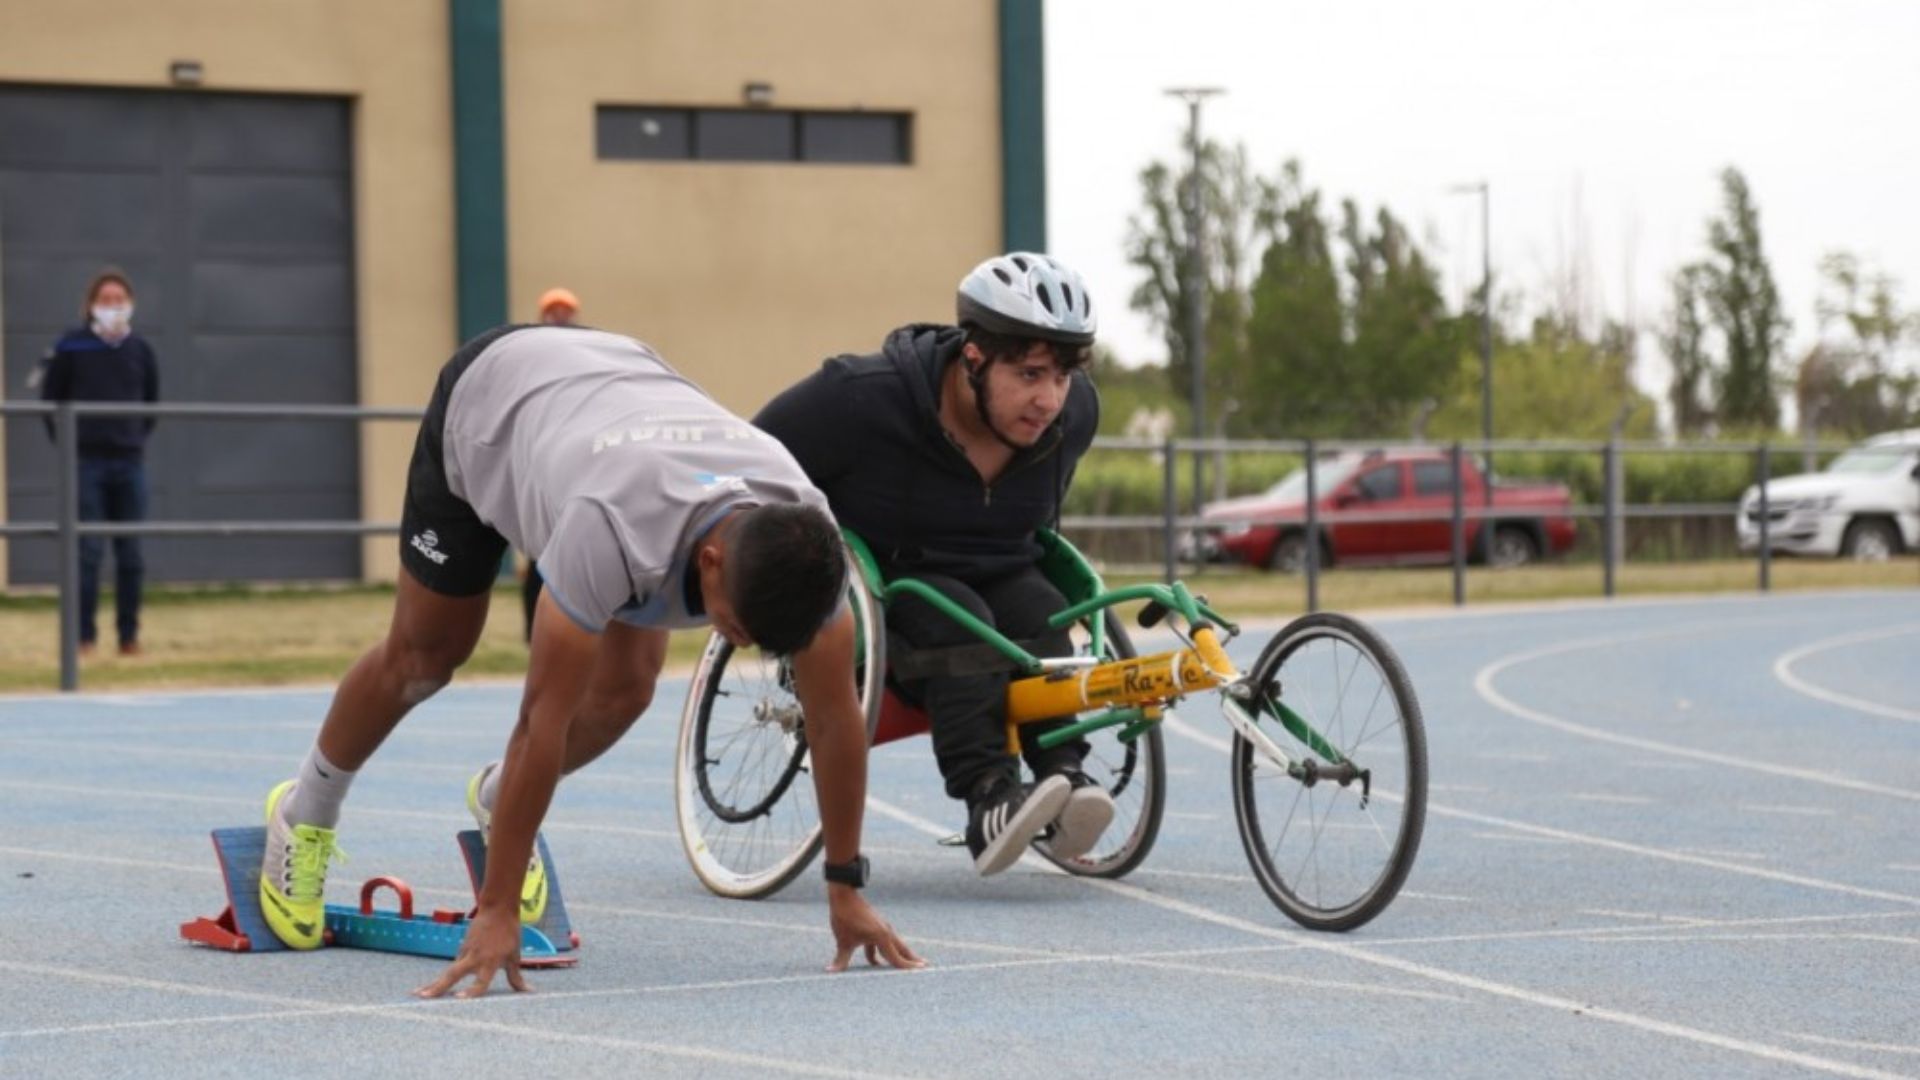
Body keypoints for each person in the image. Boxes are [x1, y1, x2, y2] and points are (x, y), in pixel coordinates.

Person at [258, 324, 922, 997]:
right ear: (711, 564)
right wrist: (495, 908)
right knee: (427, 656)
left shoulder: (811, 542)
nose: (742, 646)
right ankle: (304, 810)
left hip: (613, 397)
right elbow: (540, 724)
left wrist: (846, 889)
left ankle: (498, 801)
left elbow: (836, 719)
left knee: (626, 691)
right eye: (736, 627)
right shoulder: (607, 529)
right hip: (493, 407)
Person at [755, 253, 1113, 877]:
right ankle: (989, 798)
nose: (1049, 400)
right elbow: (754, 459)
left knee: (1044, 614)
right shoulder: (860, 399)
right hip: (894, 584)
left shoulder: (1076, 413)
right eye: (1030, 374)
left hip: (1005, 566)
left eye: (1060, 377)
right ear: (973, 359)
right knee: (964, 619)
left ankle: (1064, 773)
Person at [39, 268, 160, 657]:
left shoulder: (140, 350)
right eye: (106, 300)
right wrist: (71, 444)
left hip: (129, 463)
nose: (113, 307)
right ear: (92, 305)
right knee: (87, 552)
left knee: (131, 555)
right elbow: (51, 400)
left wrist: (134, 439)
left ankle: (128, 636)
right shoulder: (72, 346)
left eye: (119, 300)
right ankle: (83, 638)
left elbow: (151, 403)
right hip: (86, 462)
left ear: (131, 304)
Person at [520, 287, 582, 640]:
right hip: (543, 457)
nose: (560, 316)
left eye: (565, 310)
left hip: (572, 456)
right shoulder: (534, 353)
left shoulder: (585, 351)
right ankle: (534, 632)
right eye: (553, 310)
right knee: (539, 552)